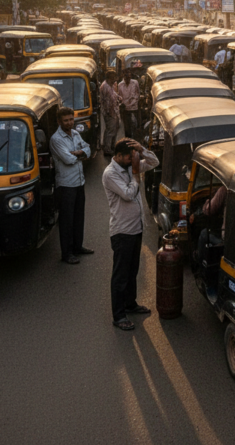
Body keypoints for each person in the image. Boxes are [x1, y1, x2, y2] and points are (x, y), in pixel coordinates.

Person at [102, 138, 159, 331]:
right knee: (121, 275)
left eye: (132, 156)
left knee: (133, 270)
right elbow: (128, 194)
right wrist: (135, 172)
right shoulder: (110, 174)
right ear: (117, 156)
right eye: (128, 157)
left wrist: (142, 150)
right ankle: (118, 316)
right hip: (122, 231)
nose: (131, 159)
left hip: (136, 227)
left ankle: (130, 304)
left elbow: (154, 162)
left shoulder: (129, 165)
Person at [50, 106, 93, 264]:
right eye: (66, 120)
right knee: (67, 220)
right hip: (66, 185)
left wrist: (80, 153)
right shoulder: (56, 139)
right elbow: (68, 160)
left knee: (78, 217)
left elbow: (88, 149)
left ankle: (77, 247)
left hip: (79, 182)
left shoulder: (75, 134)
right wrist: (81, 154)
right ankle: (66, 253)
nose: (69, 123)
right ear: (59, 121)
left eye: (71, 119)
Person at [99, 70, 121, 156]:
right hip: (110, 113)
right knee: (110, 131)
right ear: (108, 78)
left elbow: (113, 94)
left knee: (114, 130)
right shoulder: (105, 87)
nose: (114, 80)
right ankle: (107, 149)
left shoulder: (110, 85)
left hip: (114, 111)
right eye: (113, 78)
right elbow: (107, 103)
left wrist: (118, 97)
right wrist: (111, 114)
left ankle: (111, 146)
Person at [117, 67, 140, 138]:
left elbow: (137, 94)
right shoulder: (120, 85)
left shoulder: (135, 83)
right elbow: (120, 97)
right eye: (127, 77)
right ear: (124, 76)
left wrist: (132, 103)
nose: (128, 79)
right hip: (125, 110)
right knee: (127, 128)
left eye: (129, 77)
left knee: (135, 126)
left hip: (134, 108)